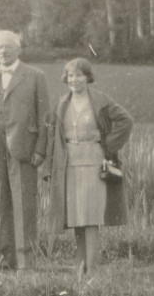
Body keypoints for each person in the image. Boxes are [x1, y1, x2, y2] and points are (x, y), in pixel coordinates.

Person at [44, 58, 134, 275]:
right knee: (75, 216)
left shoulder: (100, 99)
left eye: (79, 75)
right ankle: (80, 264)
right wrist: (49, 166)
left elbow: (126, 120)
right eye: (71, 75)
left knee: (91, 215)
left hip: (93, 161)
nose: (74, 80)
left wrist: (108, 147)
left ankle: (91, 267)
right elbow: (53, 136)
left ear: (88, 77)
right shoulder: (62, 103)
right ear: (66, 78)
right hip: (69, 164)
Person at [0, 30, 50, 270]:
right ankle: (3, 257)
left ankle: (26, 261)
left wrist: (40, 149)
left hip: (24, 148)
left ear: (18, 49)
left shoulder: (35, 76)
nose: (4, 51)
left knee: (24, 204)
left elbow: (44, 117)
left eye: (8, 46)